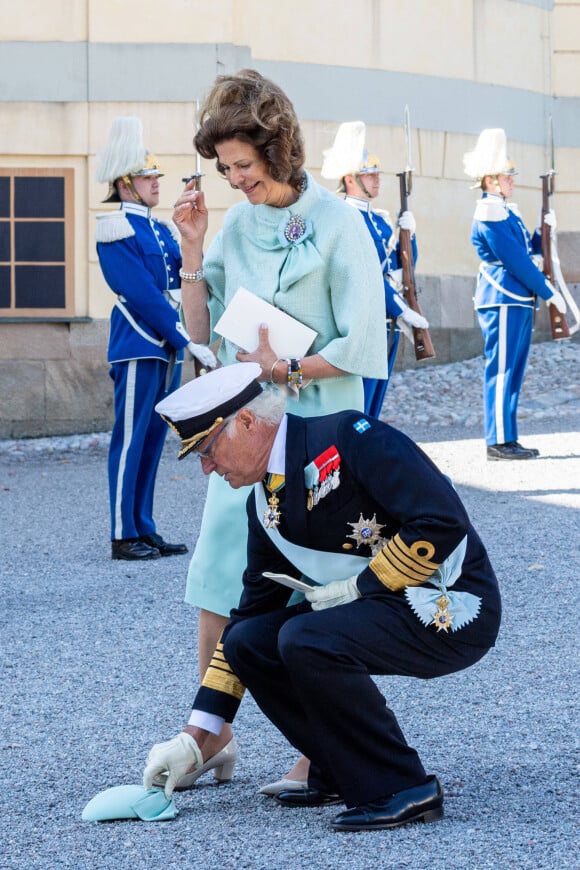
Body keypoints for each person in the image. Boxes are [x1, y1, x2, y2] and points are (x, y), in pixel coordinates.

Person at [142, 363, 502, 833]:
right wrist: (195, 733)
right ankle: (336, 768)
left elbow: (441, 522)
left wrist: (360, 588)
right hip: (383, 607)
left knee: (304, 637)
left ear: (248, 423)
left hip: (448, 604)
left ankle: (400, 786)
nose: (207, 468)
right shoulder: (265, 502)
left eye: (208, 450)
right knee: (249, 639)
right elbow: (251, 614)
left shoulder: (352, 436)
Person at [167, 70, 388, 783]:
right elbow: (202, 337)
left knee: (314, 576)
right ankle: (211, 735)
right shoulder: (237, 222)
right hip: (248, 427)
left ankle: (319, 745)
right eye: (225, 168)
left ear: (279, 149)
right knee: (217, 570)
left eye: (244, 166)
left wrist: (285, 369)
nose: (235, 180)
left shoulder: (339, 222)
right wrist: (194, 251)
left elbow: (362, 345)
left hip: (319, 423)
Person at [95, 116, 215, 560]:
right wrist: (183, 338)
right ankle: (123, 533)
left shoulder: (160, 228)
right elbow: (142, 294)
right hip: (139, 342)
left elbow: (179, 278)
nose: (155, 183)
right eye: (147, 177)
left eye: (155, 177)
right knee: (128, 438)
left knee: (150, 438)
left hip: (163, 344)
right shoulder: (115, 228)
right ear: (126, 183)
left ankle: (144, 526)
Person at [463, 128, 567, 461]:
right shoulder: (490, 213)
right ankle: (497, 440)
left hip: (517, 298)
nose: (512, 180)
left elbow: (529, 248)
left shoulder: (507, 210)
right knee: (502, 368)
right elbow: (517, 261)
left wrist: (543, 229)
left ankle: (508, 437)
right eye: (507, 175)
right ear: (491, 180)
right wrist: (549, 292)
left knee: (514, 369)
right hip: (503, 296)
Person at [321, 120, 428, 418]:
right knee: (357, 404)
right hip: (361, 323)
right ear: (351, 178)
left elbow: (400, 268)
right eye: (370, 174)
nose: (377, 180)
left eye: (377, 173)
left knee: (374, 405)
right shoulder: (343, 218)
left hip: (383, 322)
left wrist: (410, 234)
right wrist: (400, 309)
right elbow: (364, 275)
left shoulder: (378, 220)